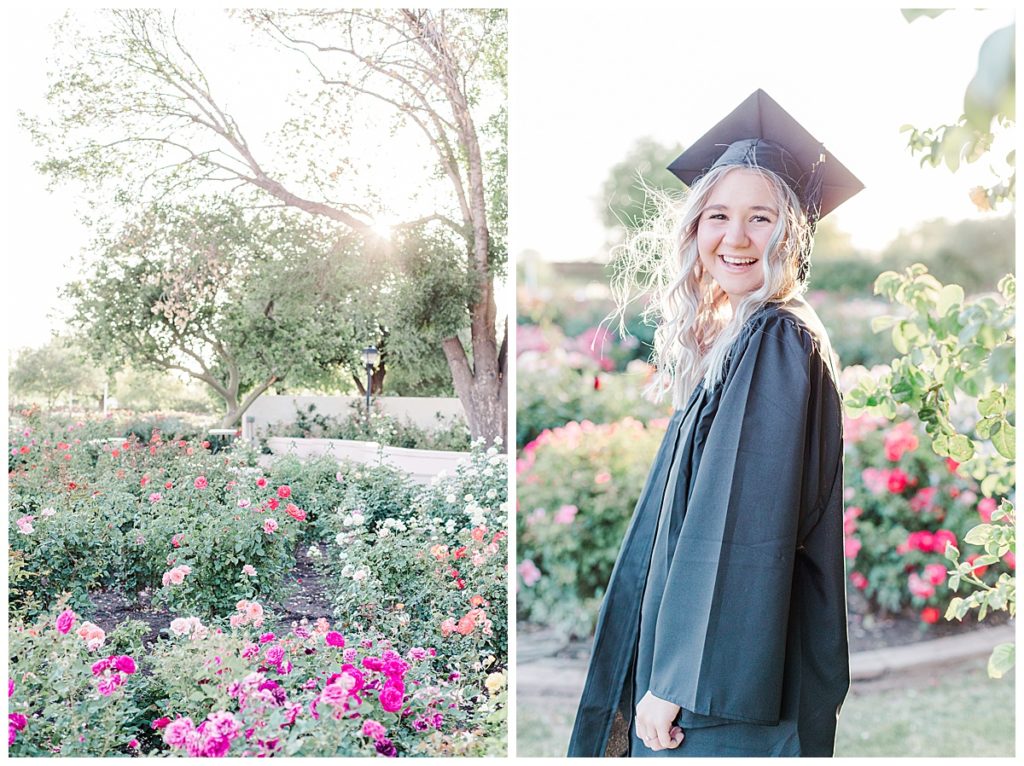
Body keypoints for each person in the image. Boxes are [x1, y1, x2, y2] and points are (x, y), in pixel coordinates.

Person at [567, 90, 864, 758]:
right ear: (695, 228)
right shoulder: (748, 334)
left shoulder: (775, 340)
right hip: (717, 676)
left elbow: (742, 527)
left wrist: (675, 681)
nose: (735, 236)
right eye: (718, 215)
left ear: (793, 232)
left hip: (723, 693)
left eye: (761, 217)